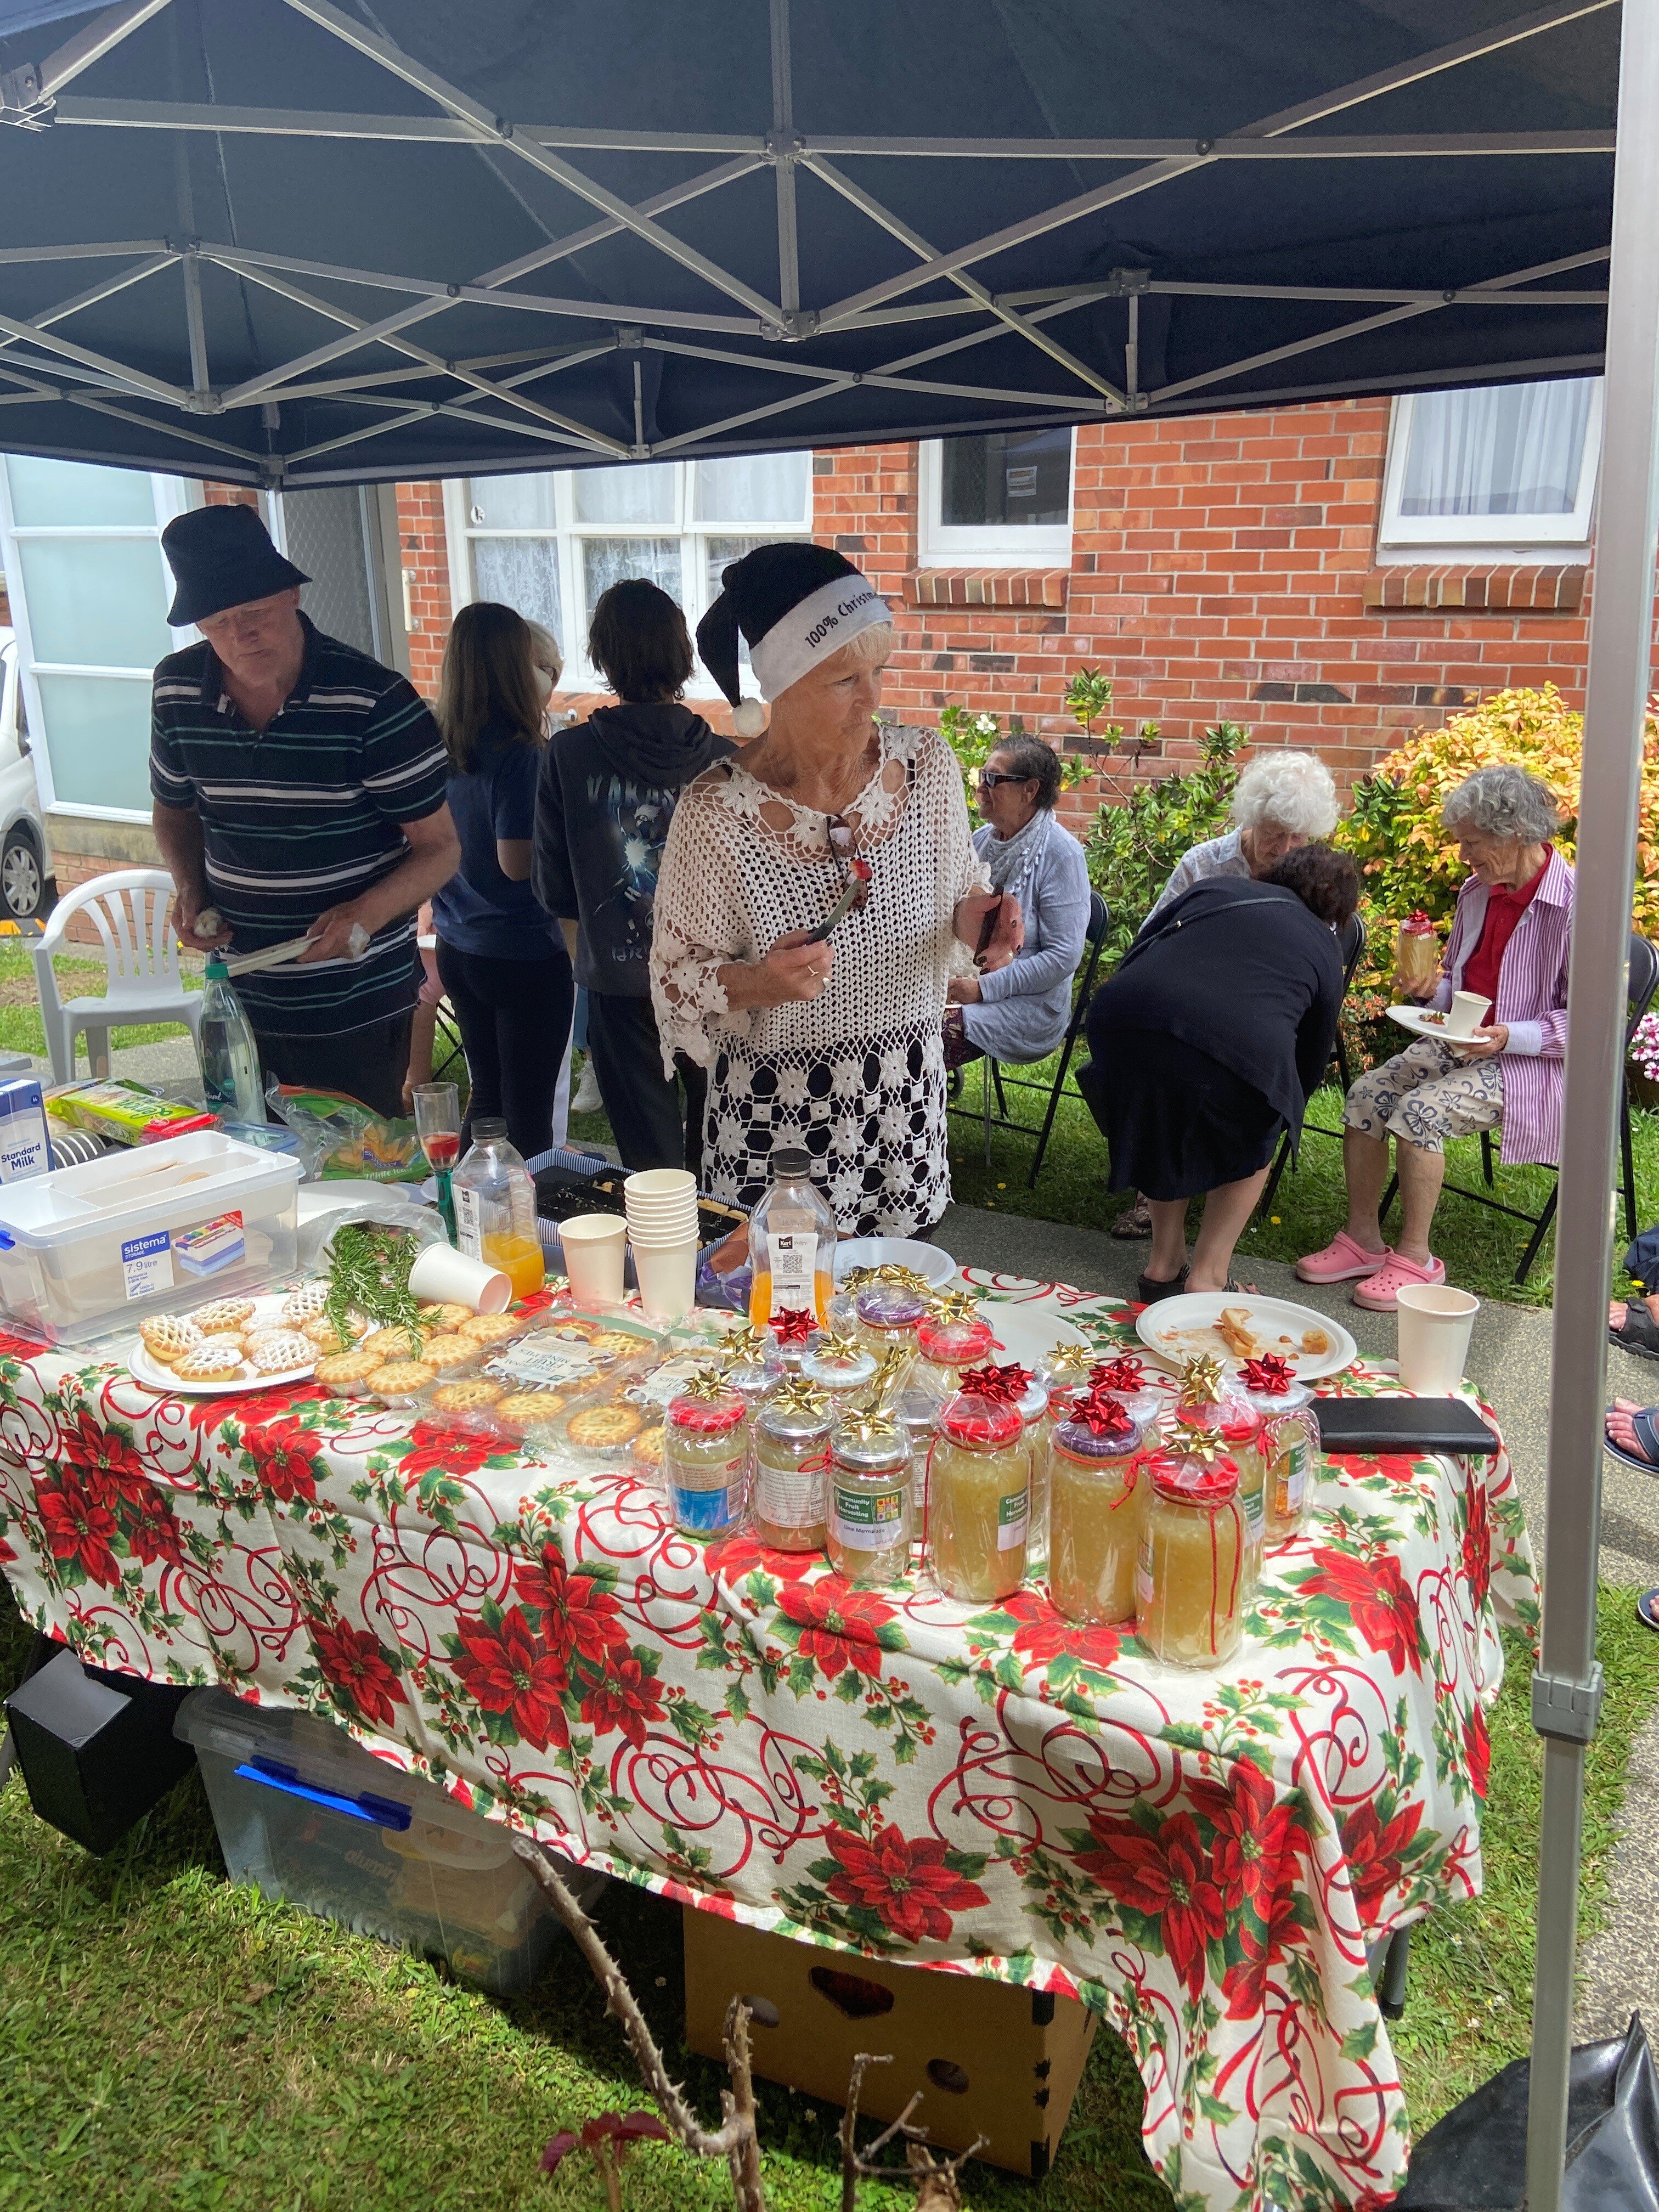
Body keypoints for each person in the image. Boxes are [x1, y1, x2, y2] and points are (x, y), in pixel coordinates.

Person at [650, 542, 1019, 1235]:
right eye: (844, 680)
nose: (873, 701)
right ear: (781, 688)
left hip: (903, 1118)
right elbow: (673, 980)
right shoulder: (715, 812)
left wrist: (981, 921)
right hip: (775, 1137)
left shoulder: (927, 767)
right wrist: (762, 982)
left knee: (898, 1326)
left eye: (878, 670)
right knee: (777, 1333)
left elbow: (958, 902)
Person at [150, 504, 458, 1121]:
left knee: (360, 1175)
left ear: (291, 593)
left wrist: (362, 916)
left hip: (358, 997)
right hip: (240, 995)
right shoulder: (176, 689)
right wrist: (189, 888)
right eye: (217, 622)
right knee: (254, 1165)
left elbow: (441, 849)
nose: (241, 635)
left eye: (255, 613)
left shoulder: (373, 699)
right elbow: (174, 810)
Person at [1297, 764, 1572, 1311]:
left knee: (1420, 1111)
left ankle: (1417, 1259)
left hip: (1532, 1063)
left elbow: (1592, 1026)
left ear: (1516, 833)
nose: (1465, 856)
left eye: (1473, 842)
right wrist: (1431, 990)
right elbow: (1464, 985)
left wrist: (1506, 1038)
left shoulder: (1576, 909)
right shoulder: (1479, 891)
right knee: (1365, 1096)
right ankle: (1364, 1241)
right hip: (1464, 1041)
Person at [1076, 844, 1358, 1301]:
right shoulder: (1325, 945)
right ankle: (1208, 1277)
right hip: (1235, 1046)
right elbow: (1312, 1052)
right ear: (1337, 910)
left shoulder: (1212, 890)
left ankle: (1163, 1267)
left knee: (1161, 1117)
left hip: (1122, 1023)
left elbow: (1141, 949)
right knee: (1263, 1117)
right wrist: (1283, 1116)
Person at [533, 579, 732, 1173]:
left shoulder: (567, 757)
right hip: (716, 982)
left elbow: (553, 887)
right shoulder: (726, 758)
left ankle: (669, 1260)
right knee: (719, 1141)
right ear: (683, 656)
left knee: (651, 1164)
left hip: (619, 983)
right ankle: (716, 1258)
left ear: (603, 658)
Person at [1113, 748, 1341, 1236]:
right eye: (1274, 833)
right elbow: (1150, 939)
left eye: (1297, 836)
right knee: (1172, 1067)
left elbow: (1320, 969)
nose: (1284, 848)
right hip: (1185, 1015)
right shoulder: (1207, 863)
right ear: (1251, 819)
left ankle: (1220, 1191)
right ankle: (1152, 1196)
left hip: (1257, 1024)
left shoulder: (1312, 882)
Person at [431, 601, 574, 1158]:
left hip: (457, 943)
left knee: (487, 1101)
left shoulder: (440, 745)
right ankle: (528, 1230)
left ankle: (470, 1219)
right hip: (523, 953)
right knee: (530, 1117)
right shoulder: (521, 754)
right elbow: (518, 862)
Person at [943, 734, 1090, 1074]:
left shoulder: (1062, 854)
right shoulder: (978, 842)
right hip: (964, 985)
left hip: (1030, 1006)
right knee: (897, 1013)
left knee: (924, 1034)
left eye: (993, 779)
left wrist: (983, 989)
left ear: (1030, 790)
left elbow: (1063, 957)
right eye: (982, 776)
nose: (981, 788)